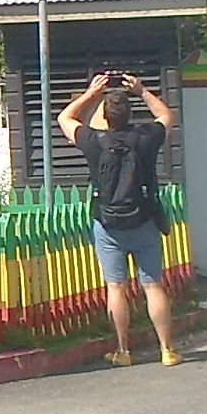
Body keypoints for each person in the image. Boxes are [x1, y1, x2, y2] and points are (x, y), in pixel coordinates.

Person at [57, 72, 184, 367]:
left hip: (108, 223)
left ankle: (123, 351)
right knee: (153, 285)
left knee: (116, 287)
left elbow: (65, 118)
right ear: (129, 114)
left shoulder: (93, 140)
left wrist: (91, 92)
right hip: (144, 220)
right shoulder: (146, 138)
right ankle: (166, 350)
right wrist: (141, 90)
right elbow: (166, 114)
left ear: (105, 115)